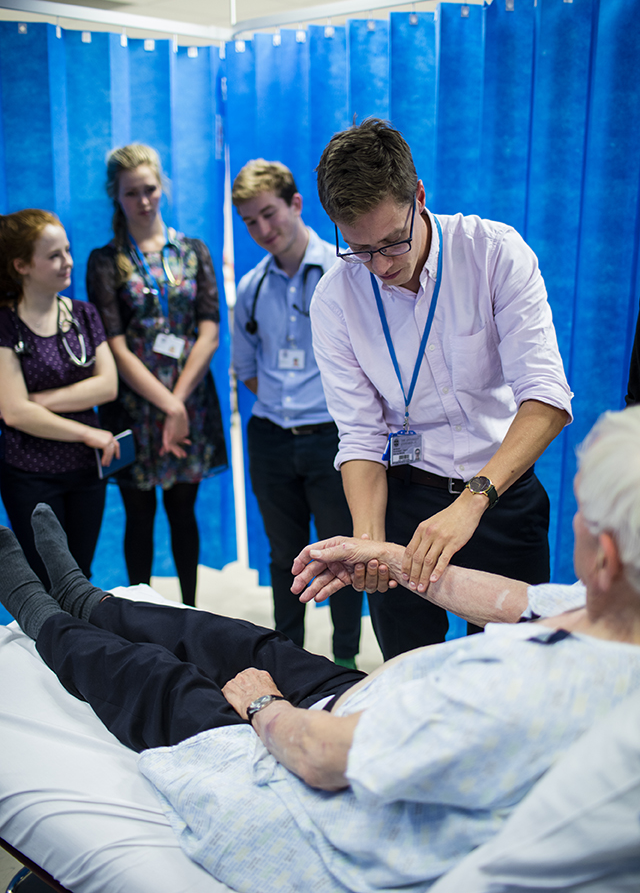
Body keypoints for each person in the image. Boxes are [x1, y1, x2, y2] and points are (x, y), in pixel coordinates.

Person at [2, 406, 640, 893]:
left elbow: (319, 756)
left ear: (606, 558)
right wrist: (392, 557)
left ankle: (38, 613)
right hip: (357, 702)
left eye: (584, 513)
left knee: (160, 682)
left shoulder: (516, 699)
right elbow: (515, 600)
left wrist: (263, 709)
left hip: (310, 793)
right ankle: (87, 599)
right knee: (238, 639)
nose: (575, 522)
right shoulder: (616, 617)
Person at [310, 118, 573, 658]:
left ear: (420, 196)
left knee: (515, 673)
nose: (380, 266)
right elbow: (360, 436)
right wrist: (369, 541)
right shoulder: (335, 298)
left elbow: (546, 397)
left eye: (392, 242)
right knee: (409, 673)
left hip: (501, 494)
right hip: (404, 500)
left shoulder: (493, 253)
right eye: (360, 249)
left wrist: (474, 500)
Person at [232, 159, 362, 667]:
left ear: (296, 204)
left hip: (332, 437)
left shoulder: (345, 272)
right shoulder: (251, 287)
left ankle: (346, 660)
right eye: (250, 222)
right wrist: (288, 402)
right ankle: (286, 658)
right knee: (284, 556)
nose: (262, 230)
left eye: (269, 214)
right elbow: (247, 367)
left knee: (341, 555)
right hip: (270, 437)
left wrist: (317, 406)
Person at [86, 144, 227, 607]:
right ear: (116, 197)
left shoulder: (192, 251)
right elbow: (115, 343)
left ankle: (191, 613)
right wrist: (168, 406)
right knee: (139, 513)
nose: (143, 201)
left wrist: (180, 400)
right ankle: (141, 617)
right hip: (133, 407)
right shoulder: (105, 262)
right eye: (132, 193)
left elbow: (208, 330)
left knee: (184, 511)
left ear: (161, 188)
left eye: (149, 190)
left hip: (192, 401)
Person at [0, 209, 119, 584]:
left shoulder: (83, 315)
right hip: (31, 474)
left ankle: (82, 645)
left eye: (67, 250)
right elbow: (14, 415)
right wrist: (87, 432)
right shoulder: (5, 324)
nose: (67, 262)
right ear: (21, 265)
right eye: (53, 255)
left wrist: (35, 401)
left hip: (86, 473)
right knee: (47, 582)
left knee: (80, 578)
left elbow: (107, 386)